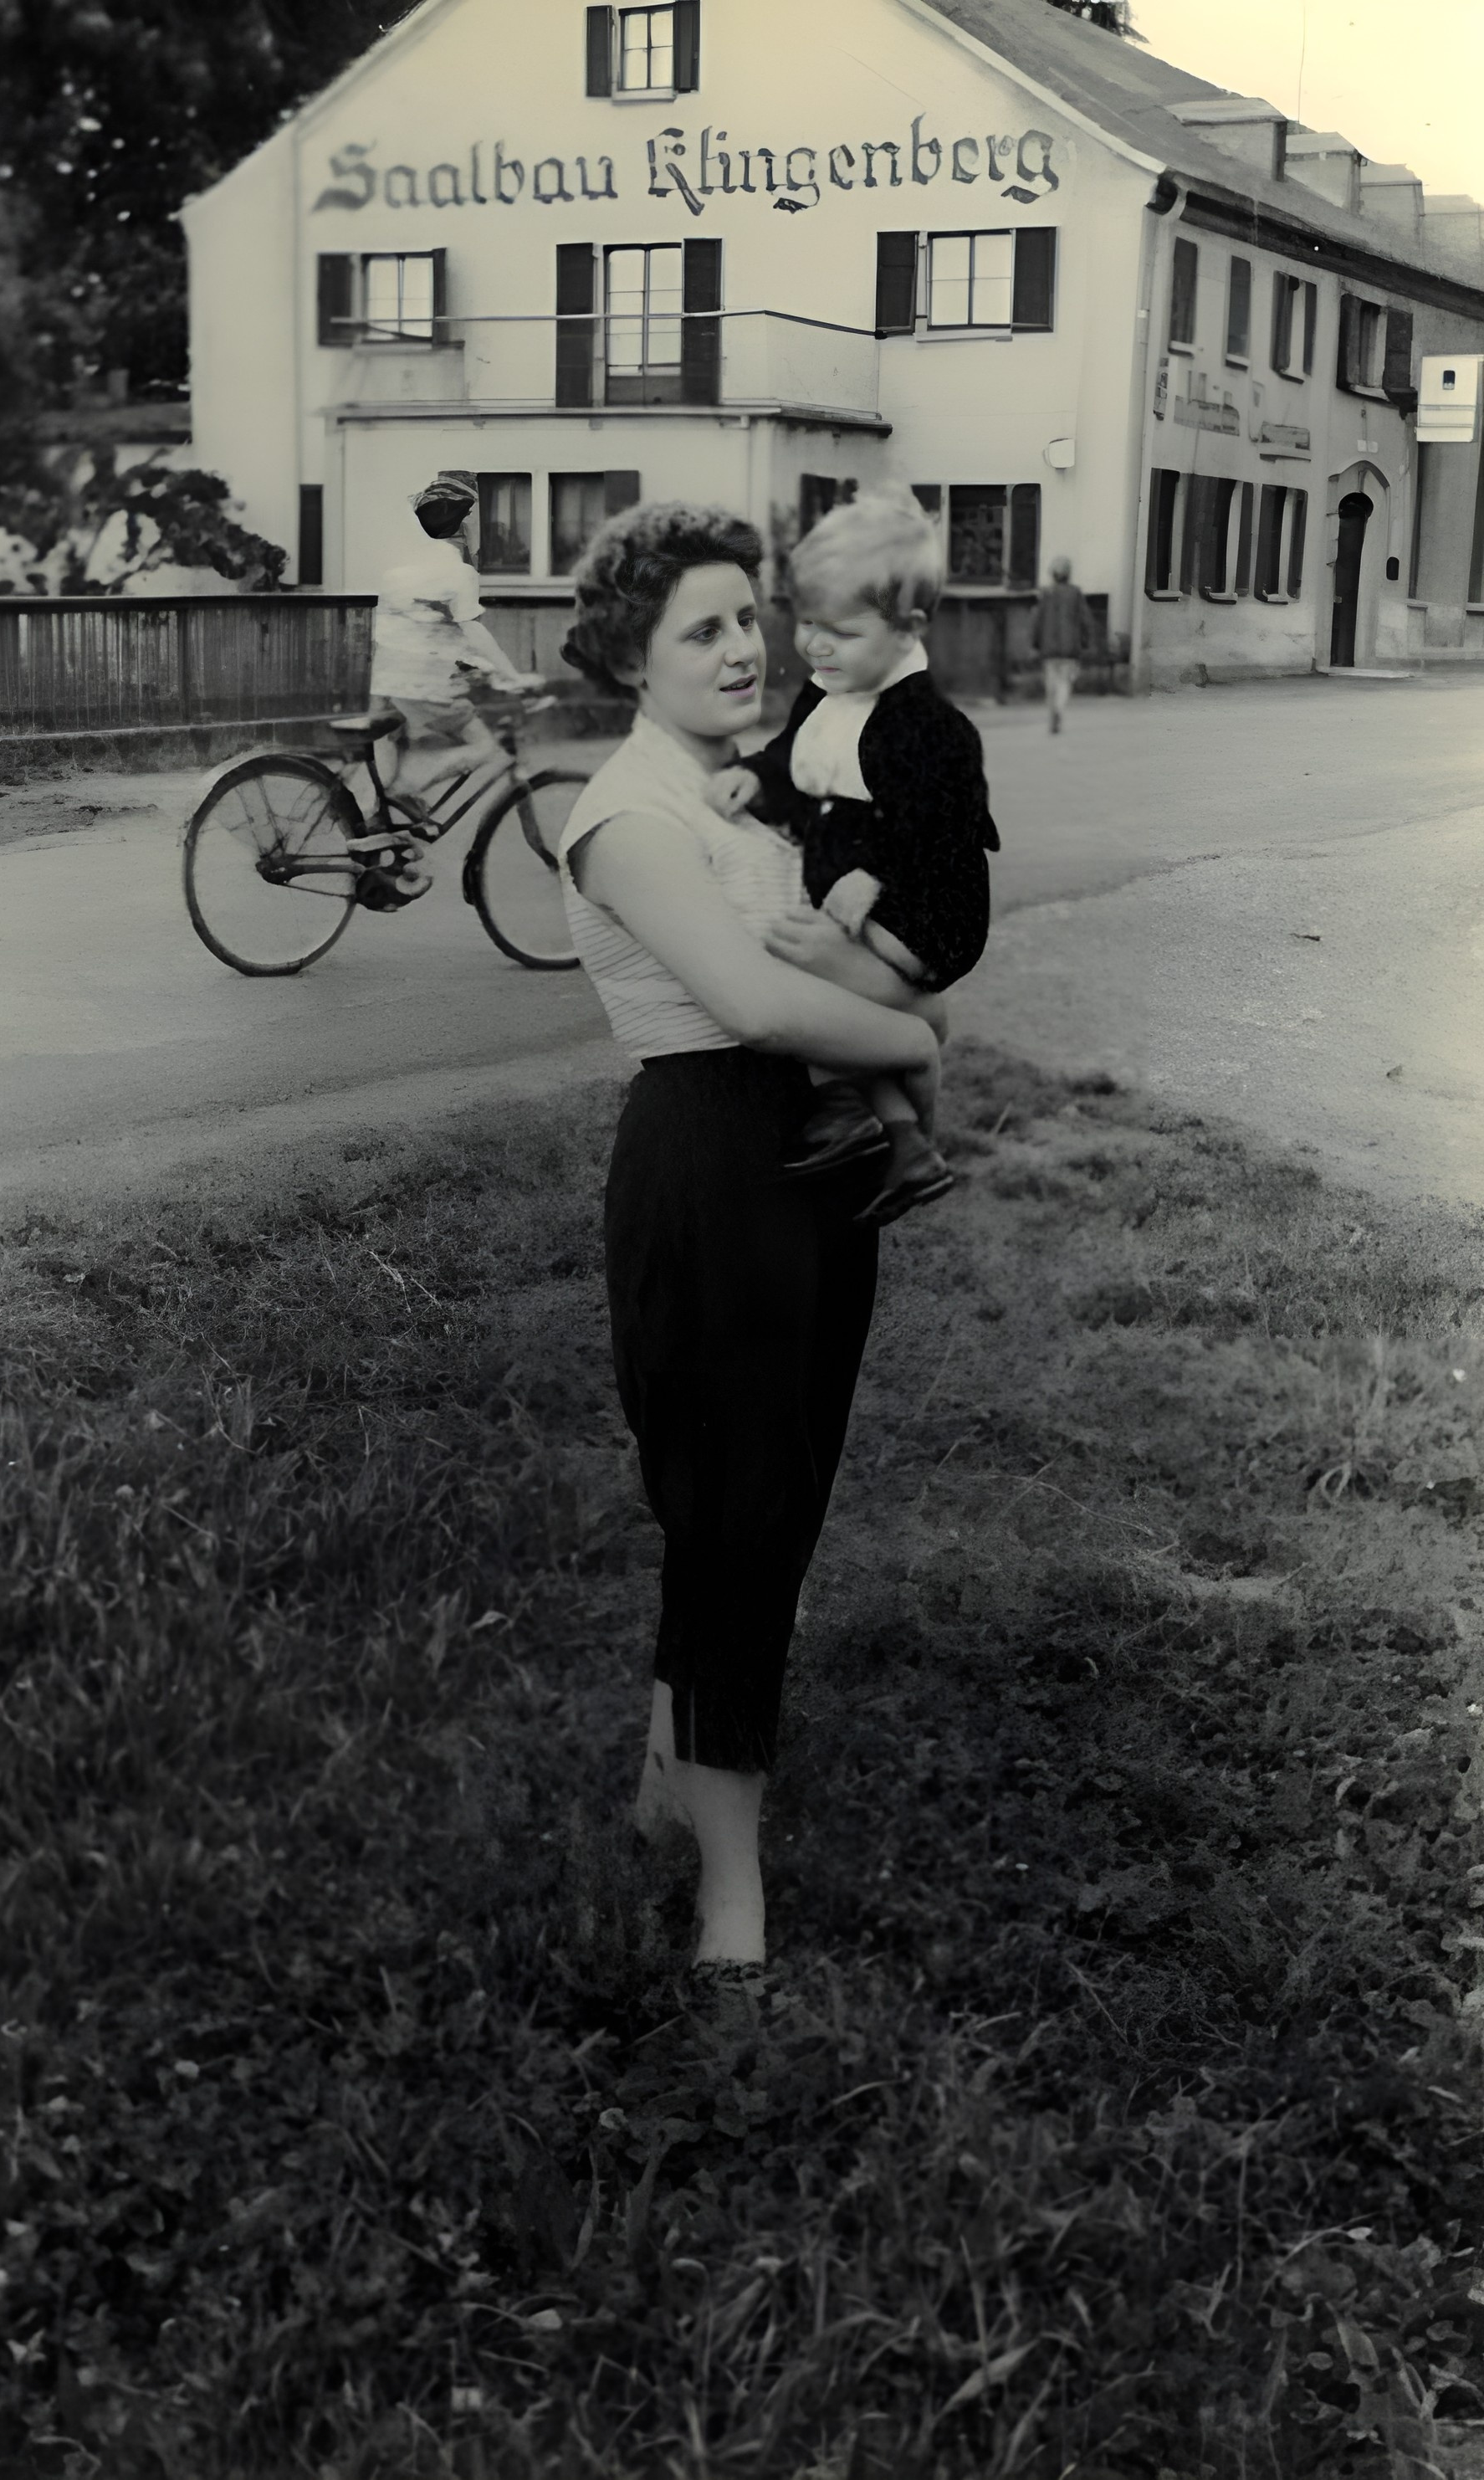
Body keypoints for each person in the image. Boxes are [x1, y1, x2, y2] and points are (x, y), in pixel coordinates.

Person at [556, 502, 940, 1987]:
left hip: (809, 1164)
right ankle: (732, 1893)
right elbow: (763, 1003)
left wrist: (895, 1009)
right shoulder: (628, 819)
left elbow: (874, 961)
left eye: (745, 620)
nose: (742, 649)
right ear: (629, 660)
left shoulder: (757, 796)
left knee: (767, 1508)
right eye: (699, 630)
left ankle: (667, 1780)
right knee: (733, 1514)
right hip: (711, 1168)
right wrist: (919, 1041)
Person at [704, 487, 1000, 1225]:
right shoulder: (829, 691)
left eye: (841, 631)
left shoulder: (928, 724)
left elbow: (947, 823)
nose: (816, 646)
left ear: (908, 631)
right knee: (813, 974)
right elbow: (791, 755)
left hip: (927, 905)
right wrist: (757, 776)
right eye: (807, 623)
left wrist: (875, 876)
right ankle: (899, 1138)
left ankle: (859, 1100)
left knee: (805, 983)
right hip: (856, 897)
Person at [368, 474, 543, 809]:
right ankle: (409, 788)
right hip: (423, 684)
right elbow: (472, 631)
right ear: (456, 528)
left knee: (388, 742)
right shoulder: (459, 574)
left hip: (385, 680)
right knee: (485, 747)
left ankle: (375, 819)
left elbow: (418, 629)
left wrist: (475, 666)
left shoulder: (397, 572)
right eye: (464, 523)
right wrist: (512, 677)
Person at [1030, 553, 1094, 734]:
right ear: (1068, 574)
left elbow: (1037, 620)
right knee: (1065, 682)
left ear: (1053, 574)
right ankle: (1059, 710)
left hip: (1048, 647)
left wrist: (1035, 643)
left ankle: (1053, 711)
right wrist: (1085, 641)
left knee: (1051, 683)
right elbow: (1085, 619)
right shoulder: (1075, 593)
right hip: (1070, 648)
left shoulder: (1046, 593)